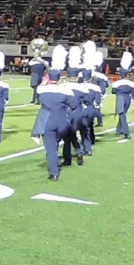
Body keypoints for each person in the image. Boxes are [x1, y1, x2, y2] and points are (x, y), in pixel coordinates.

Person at [35, 46, 79, 181]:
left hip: (47, 122)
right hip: (62, 122)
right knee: (68, 139)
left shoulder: (42, 90)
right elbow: (74, 105)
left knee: (51, 148)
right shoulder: (65, 90)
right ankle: (71, 156)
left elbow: (39, 92)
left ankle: (54, 172)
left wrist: (45, 81)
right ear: (59, 77)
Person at [111, 52, 134, 139]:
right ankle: (118, 131)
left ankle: (127, 132)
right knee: (123, 114)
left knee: (122, 115)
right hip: (128, 99)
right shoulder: (131, 83)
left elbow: (113, 92)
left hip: (120, 98)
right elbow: (133, 94)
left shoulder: (116, 83)